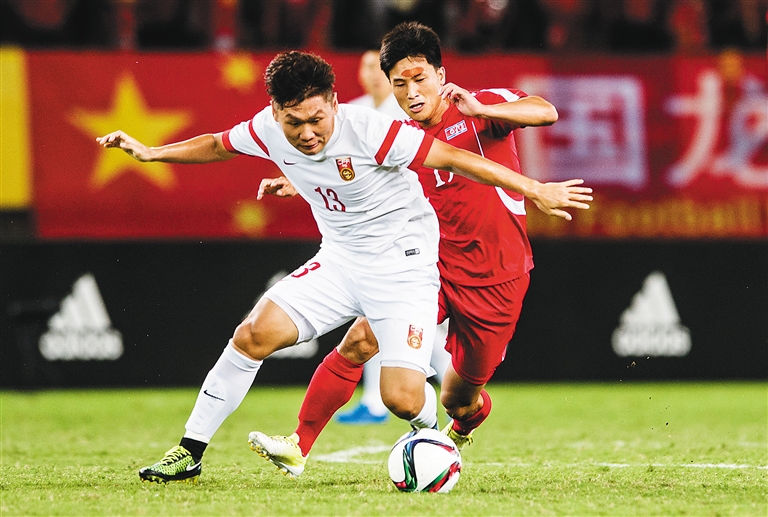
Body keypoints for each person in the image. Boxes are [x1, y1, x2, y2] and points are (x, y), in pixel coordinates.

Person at [96, 50, 592, 483]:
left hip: (403, 266)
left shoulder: (375, 131)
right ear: (275, 111)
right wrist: (152, 153)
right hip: (339, 261)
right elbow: (217, 144)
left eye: (317, 119)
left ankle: (434, 439)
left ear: (334, 102)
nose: (307, 133)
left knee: (402, 398)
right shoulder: (267, 129)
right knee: (252, 335)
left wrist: (534, 189)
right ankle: (191, 451)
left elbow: (457, 160)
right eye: (294, 123)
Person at [247, 23, 591, 478]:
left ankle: (462, 423)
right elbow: (352, 169)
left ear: (440, 74)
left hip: (497, 277)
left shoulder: (481, 107)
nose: (411, 92)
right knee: (360, 340)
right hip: (429, 267)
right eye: (399, 83)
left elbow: (545, 111)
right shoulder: (397, 134)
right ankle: (298, 444)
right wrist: (300, 180)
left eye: (419, 78)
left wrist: (483, 108)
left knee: (458, 399)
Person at [337, 49, 452, 425]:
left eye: (378, 67)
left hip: (416, 224)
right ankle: (377, 399)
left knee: (407, 319)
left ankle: (458, 386)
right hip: (374, 228)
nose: (372, 74)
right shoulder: (352, 112)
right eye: (366, 66)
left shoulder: (408, 111)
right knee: (378, 316)